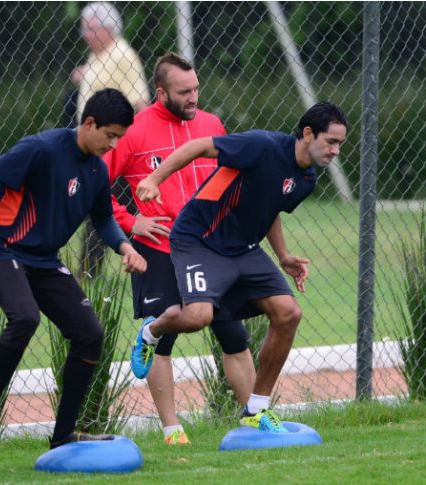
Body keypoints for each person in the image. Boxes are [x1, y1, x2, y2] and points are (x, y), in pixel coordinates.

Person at [132, 102, 348, 433]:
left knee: (289, 313)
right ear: (308, 133)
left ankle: (256, 409)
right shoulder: (262, 146)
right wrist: (154, 178)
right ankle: (152, 331)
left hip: (244, 249)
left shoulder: (306, 179)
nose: (335, 150)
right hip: (199, 240)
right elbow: (200, 145)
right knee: (198, 317)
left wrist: (284, 255)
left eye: (340, 144)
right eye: (331, 141)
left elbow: (271, 206)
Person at [0, 88, 148, 459]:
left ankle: (64, 434)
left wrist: (126, 247)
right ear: (89, 123)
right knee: (25, 318)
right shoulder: (42, 149)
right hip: (2, 248)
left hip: (44, 260)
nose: (112, 145)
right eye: (109, 135)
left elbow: (103, 218)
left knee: (89, 334)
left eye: (119, 138)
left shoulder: (97, 169)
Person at [103, 52, 256, 445]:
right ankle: (172, 431)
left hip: (209, 248)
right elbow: (94, 182)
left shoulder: (211, 125)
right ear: (161, 92)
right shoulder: (134, 130)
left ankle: (256, 419)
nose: (193, 97)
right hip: (158, 246)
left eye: (196, 89)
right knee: (164, 337)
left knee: (234, 335)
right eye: (184, 91)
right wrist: (130, 221)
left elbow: (229, 177)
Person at [72, 1, 151, 275]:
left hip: (115, 148)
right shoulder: (98, 55)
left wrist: (136, 145)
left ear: (108, 29)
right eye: (84, 29)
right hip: (95, 146)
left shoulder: (122, 54)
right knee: (106, 208)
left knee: (106, 207)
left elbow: (140, 101)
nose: (85, 34)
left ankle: (90, 272)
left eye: (91, 29)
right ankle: (93, 271)